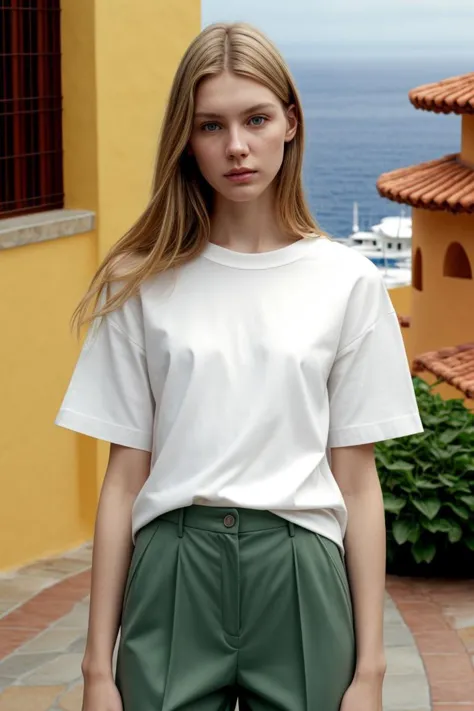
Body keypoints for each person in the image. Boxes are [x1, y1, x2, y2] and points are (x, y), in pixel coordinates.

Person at [55, 22, 423, 711]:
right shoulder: (141, 282)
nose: (236, 147)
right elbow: (122, 479)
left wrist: (370, 671)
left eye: (255, 118)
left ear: (290, 122)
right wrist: (95, 672)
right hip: (172, 571)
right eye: (210, 126)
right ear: (186, 141)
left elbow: (358, 481)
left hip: (301, 572)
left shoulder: (347, 281)